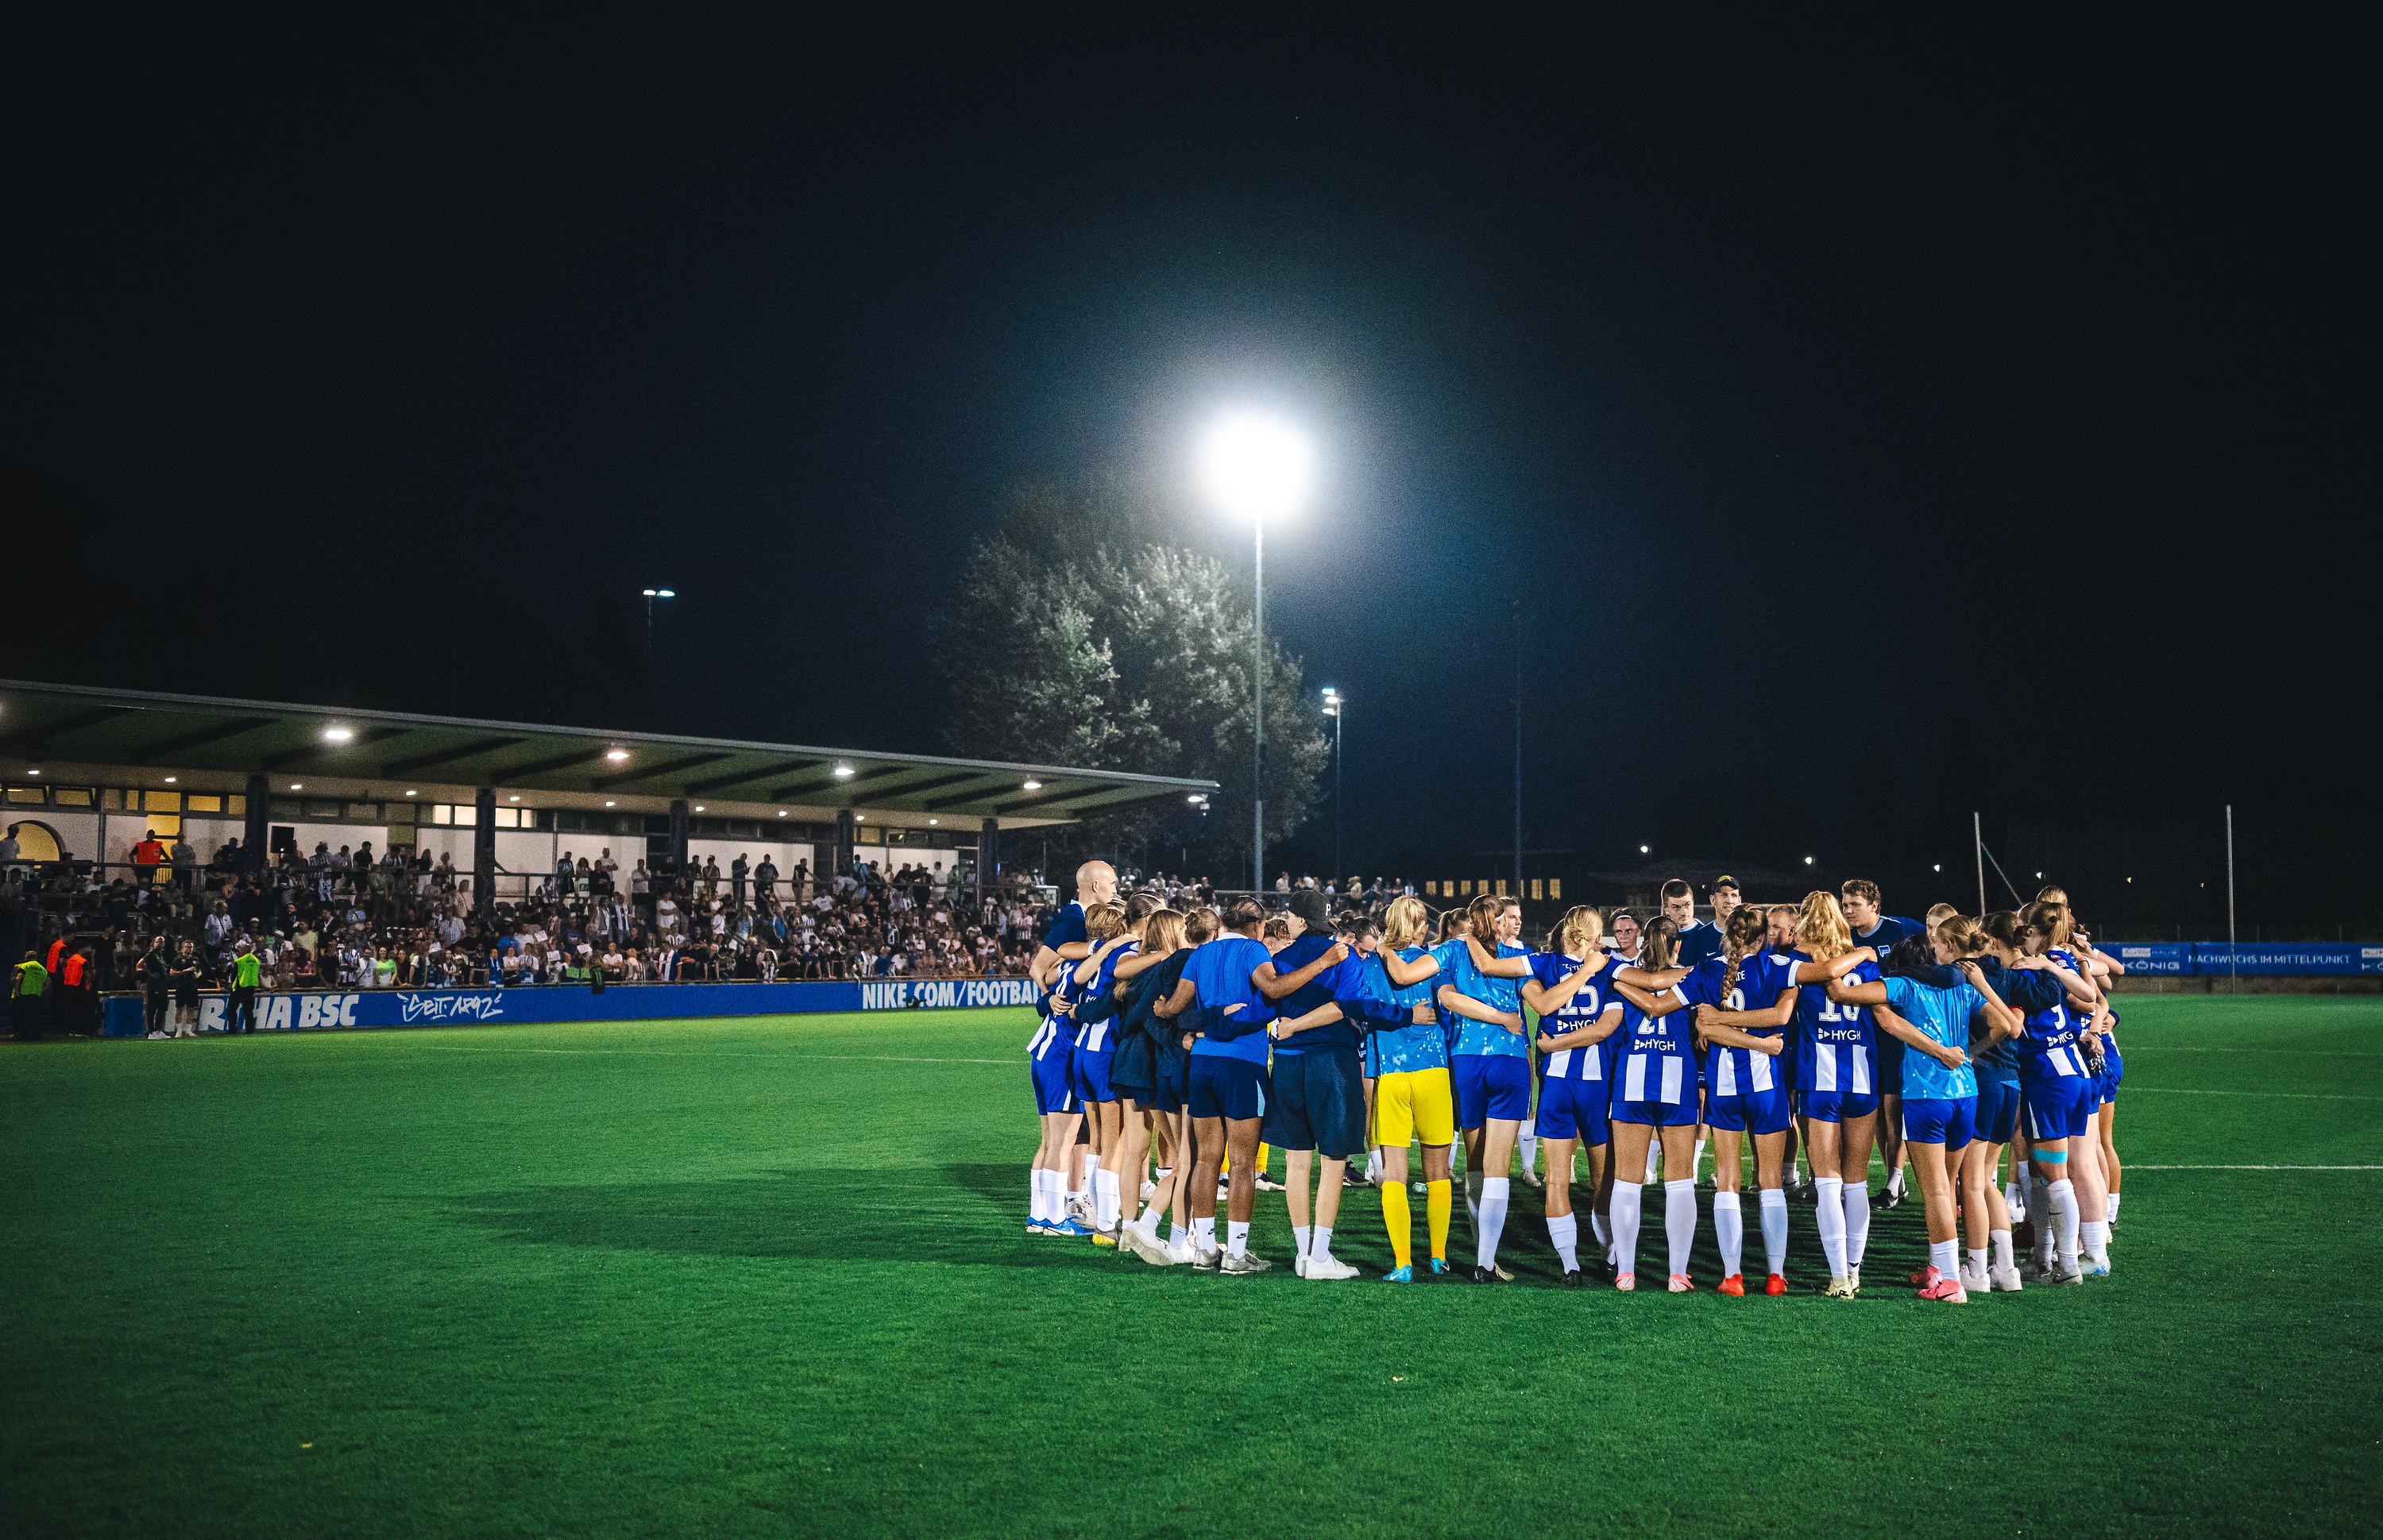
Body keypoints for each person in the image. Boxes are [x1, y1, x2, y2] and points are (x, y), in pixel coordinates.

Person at [1825, 925, 2020, 1303]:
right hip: (1966, 1094)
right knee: (1949, 1188)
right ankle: (1939, 1272)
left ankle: (1950, 1284)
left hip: (1926, 1097)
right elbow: (2005, 1026)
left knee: (1933, 1193)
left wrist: (1865, 964)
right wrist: (1970, 1053)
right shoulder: (1962, 988)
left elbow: (1839, 991)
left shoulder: (1904, 987)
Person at [1250, 893, 1390, 1281]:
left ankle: (1301, 1253)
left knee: (1297, 1160)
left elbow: (1267, 1003)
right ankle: (1320, 1255)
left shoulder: (1280, 959)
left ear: (1298, 919)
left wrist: (1292, 1026)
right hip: (1332, 1062)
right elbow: (1347, 1007)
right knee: (1332, 1162)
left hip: (1290, 1065)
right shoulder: (1343, 955)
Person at [1155, 896, 1280, 1273]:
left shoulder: (1201, 954)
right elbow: (1272, 989)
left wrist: (1162, 1010)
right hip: (1243, 1064)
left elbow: (1176, 1005)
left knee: (1206, 1157)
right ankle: (1237, 1256)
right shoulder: (1255, 950)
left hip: (1203, 1063)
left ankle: (1206, 1250)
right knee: (1242, 1164)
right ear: (1256, 925)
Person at [1522, 906, 1628, 1287]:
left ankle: (1572, 1266)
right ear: (1591, 936)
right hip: (1595, 1087)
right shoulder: (1606, 969)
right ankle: (1608, 1256)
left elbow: (1556, 1010)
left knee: (1558, 1180)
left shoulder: (1540, 963)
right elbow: (1603, 1028)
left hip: (1556, 1084)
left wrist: (1554, 1044)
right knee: (1603, 1180)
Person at [1840, 878, 1924, 1211]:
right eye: (1845, 904)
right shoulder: (1843, 937)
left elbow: (1938, 938)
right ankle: (1895, 1178)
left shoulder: (1902, 929)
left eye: (1854, 904)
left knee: (1894, 1111)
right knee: (1874, 1111)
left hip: (1895, 1034)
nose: (1847, 910)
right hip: (1860, 1035)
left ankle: (1893, 1179)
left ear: (1874, 906)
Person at [140, 933, 172, 1039]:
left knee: (162, 1007)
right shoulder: (150, 954)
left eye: (162, 942)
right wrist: (150, 973)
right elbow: (139, 965)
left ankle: (158, 1031)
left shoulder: (161, 955)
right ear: (154, 943)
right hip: (154, 984)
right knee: (152, 1008)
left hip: (162, 983)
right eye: (158, 942)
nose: (160, 944)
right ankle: (151, 1032)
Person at [10, 949, 46, 1040]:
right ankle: (36, 1036)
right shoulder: (42, 969)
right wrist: (40, 990)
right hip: (36, 995)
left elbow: (18, 978)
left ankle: (24, 1036)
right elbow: (48, 982)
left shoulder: (24, 966)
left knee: (23, 1016)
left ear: (27, 957)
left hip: (24, 994)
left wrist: (17, 991)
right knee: (34, 1016)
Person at [228, 940, 262, 1033]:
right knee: (248, 1011)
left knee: (231, 1009)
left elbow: (234, 976)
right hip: (251, 988)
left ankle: (233, 1029)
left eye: (241, 949)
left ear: (244, 951)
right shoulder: (256, 961)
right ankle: (250, 1029)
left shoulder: (240, 961)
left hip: (240, 987)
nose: (240, 951)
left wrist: (233, 988)